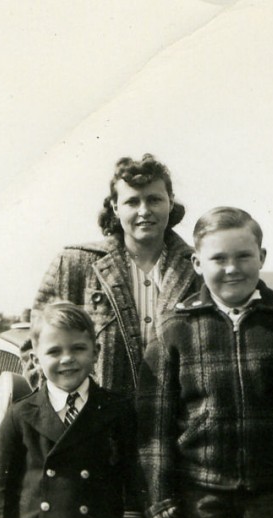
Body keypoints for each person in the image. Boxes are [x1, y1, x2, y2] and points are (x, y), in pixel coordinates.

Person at [138, 207, 273, 518]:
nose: (232, 269)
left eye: (244, 256)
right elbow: (153, 432)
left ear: (261, 257)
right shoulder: (172, 329)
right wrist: (162, 514)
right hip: (202, 500)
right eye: (218, 258)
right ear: (197, 264)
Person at [31, 153, 201, 395]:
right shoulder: (75, 263)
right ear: (115, 208)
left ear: (170, 203)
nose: (144, 211)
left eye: (154, 200)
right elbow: (35, 347)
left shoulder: (199, 267)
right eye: (132, 202)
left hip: (177, 423)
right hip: (97, 423)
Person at [0, 302, 137, 518]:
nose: (67, 359)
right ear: (35, 360)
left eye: (78, 348)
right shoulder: (20, 415)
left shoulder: (118, 410)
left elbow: (132, 485)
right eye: (54, 352)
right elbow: (1, 494)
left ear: (96, 352)